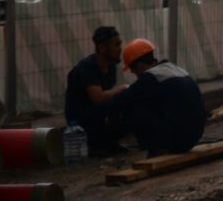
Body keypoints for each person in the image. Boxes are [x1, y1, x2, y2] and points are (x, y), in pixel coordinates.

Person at [112, 38, 207, 157]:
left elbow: (119, 101)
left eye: (133, 69)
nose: (133, 73)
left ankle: (157, 148)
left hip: (178, 141)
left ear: (140, 65)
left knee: (131, 106)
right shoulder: (174, 69)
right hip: (194, 136)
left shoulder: (152, 77)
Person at [64, 26, 130, 156]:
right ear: (102, 48)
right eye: (116, 45)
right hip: (81, 121)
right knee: (123, 99)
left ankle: (108, 142)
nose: (120, 49)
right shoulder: (87, 67)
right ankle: (95, 144)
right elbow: (98, 97)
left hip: (96, 114)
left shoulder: (110, 67)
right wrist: (123, 89)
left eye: (120, 44)